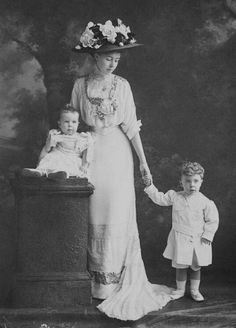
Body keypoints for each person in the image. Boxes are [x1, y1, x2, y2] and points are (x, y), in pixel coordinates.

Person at [70, 18, 172, 320]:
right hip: (90, 150)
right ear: (94, 57)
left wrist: (143, 162)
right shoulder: (79, 86)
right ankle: (94, 282)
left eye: (117, 58)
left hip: (117, 151)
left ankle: (114, 284)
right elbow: (72, 125)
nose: (113, 62)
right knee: (91, 211)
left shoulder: (122, 86)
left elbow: (130, 125)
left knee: (116, 210)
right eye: (107, 57)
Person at [144, 161, 219, 302]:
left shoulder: (205, 201)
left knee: (196, 266)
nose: (192, 185)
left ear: (201, 182)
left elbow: (213, 220)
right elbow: (160, 199)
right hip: (180, 238)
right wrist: (149, 186)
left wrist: (208, 235)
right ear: (181, 182)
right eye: (187, 181)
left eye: (196, 181)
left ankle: (195, 290)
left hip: (198, 238)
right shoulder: (175, 196)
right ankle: (180, 290)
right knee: (181, 265)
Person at [22, 104, 94, 179]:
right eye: (66, 122)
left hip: (72, 158)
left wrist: (84, 166)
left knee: (69, 167)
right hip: (57, 155)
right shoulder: (56, 134)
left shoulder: (82, 137)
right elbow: (46, 149)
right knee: (50, 158)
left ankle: (58, 174)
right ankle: (39, 172)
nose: (70, 125)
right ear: (59, 124)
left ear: (78, 124)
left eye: (74, 122)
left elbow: (87, 153)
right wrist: (40, 161)